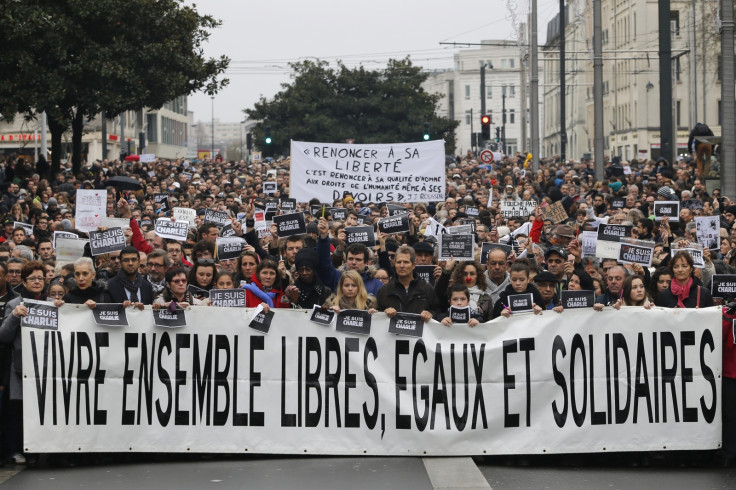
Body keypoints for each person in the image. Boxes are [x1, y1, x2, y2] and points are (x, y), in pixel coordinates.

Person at [0, 261, 63, 464]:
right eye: (32, 279)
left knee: (42, 409)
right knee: (19, 412)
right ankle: (17, 449)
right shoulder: (14, 304)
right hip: (21, 369)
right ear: (24, 282)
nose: (36, 282)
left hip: (47, 368)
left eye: (40, 278)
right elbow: (4, 336)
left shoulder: (52, 302)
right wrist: (15, 317)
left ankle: (37, 450)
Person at [316, 217, 382, 296]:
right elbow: (324, 264)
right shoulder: (337, 277)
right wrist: (323, 237)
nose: (354, 262)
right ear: (346, 260)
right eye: (350, 259)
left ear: (366, 262)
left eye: (358, 259)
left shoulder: (376, 284)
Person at [375, 245, 438, 321]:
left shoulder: (427, 288)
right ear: (395, 265)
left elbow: (437, 312)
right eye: (398, 262)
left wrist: (430, 314)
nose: (402, 266)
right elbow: (377, 317)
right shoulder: (384, 290)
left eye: (406, 262)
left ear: (413, 265)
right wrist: (384, 313)